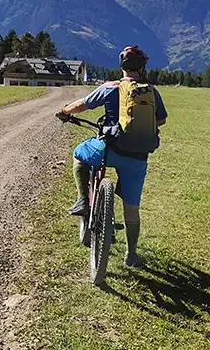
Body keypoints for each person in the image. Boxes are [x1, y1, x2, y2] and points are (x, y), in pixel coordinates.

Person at [56, 45, 167, 268]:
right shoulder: (151, 91)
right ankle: (131, 255)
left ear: (122, 66)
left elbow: (82, 105)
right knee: (132, 208)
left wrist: (65, 111)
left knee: (79, 154)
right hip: (138, 157)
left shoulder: (110, 87)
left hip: (109, 150)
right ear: (142, 67)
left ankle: (83, 202)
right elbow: (162, 120)